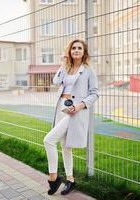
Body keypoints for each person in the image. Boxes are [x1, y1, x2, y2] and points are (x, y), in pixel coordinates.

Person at [43, 39, 99, 195]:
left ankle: (53, 178)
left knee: (48, 140)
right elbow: (56, 81)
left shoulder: (88, 71)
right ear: (69, 51)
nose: (76, 50)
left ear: (84, 52)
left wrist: (79, 106)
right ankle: (71, 180)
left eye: (79, 48)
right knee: (65, 146)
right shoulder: (66, 68)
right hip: (61, 108)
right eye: (73, 48)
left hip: (75, 111)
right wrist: (63, 64)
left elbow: (95, 93)